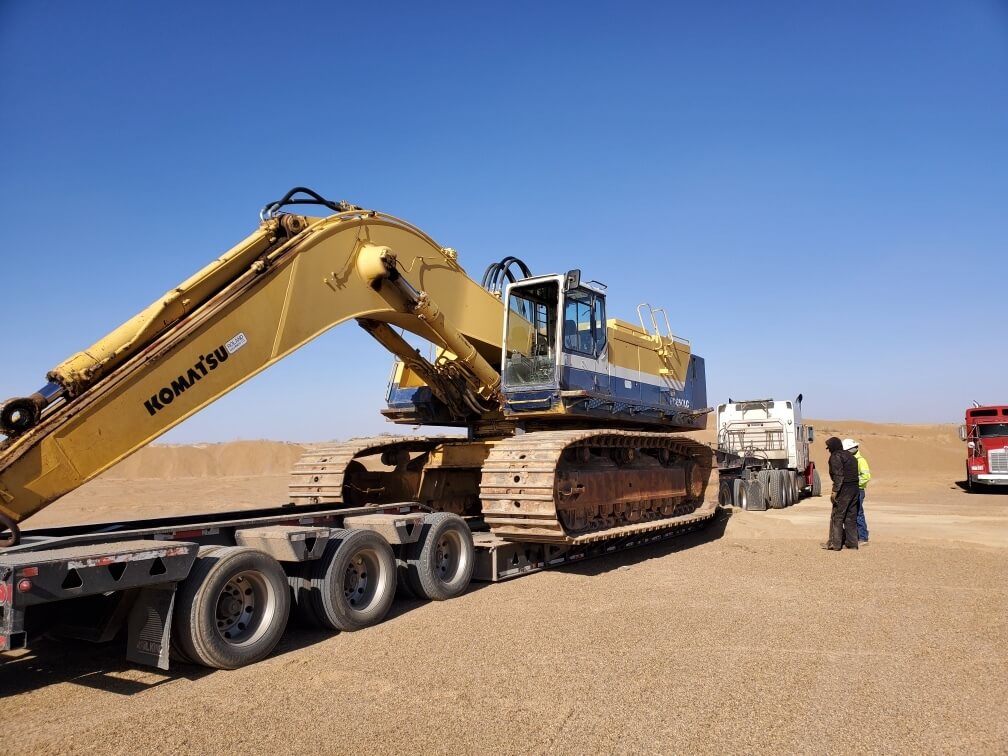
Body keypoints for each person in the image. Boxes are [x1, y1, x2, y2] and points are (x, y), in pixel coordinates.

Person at [823, 436, 859, 550]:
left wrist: (835, 491)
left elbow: (838, 476)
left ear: (833, 446)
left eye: (829, 448)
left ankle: (835, 544)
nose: (829, 450)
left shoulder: (836, 456)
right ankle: (852, 543)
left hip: (844, 489)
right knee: (850, 516)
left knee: (837, 516)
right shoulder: (851, 456)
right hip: (855, 488)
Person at [842, 438, 871, 544]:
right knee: (850, 514)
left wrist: (855, 484)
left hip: (858, 490)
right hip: (849, 490)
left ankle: (863, 537)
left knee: (858, 513)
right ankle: (852, 537)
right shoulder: (849, 459)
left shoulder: (860, 460)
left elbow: (866, 476)